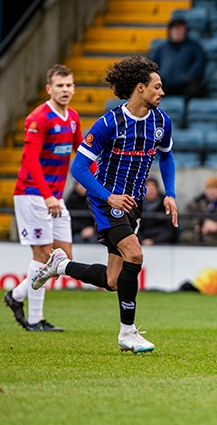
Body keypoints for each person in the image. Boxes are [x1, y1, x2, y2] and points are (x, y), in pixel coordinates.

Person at [31, 55, 179, 354]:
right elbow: (80, 169)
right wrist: (107, 195)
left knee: (113, 280)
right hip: (107, 201)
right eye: (157, 87)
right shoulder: (109, 123)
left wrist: (170, 192)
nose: (162, 92)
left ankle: (61, 265)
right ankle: (128, 332)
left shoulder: (161, 121)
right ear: (140, 88)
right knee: (134, 255)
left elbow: (166, 156)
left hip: (133, 202)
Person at [3, 64, 83, 332]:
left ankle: (15, 296)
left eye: (69, 85)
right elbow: (30, 160)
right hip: (32, 195)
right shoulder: (39, 118)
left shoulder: (72, 117)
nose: (65, 90)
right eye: (60, 86)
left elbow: (81, 154)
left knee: (63, 257)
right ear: (49, 89)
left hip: (54, 197)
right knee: (44, 254)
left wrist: (92, 180)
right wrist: (48, 195)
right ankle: (35, 319)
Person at [148, 18, 206, 102]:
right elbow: (153, 65)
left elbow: (199, 63)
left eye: (180, 30)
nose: (178, 33)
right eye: (175, 30)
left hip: (185, 84)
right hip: (164, 84)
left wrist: (189, 76)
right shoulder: (161, 49)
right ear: (170, 31)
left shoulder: (194, 47)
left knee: (195, 90)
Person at [179, 175, 217, 246]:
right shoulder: (195, 204)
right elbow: (186, 219)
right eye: (209, 188)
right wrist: (200, 225)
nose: (211, 192)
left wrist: (216, 228)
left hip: (215, 240)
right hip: (193, 237)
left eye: (214, 188)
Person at [138, 177, 177, 245]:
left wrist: (154, 241)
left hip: (163, 242)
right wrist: (142, 240)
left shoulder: (166, 205)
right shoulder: (137, 205)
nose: (150, 190)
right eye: (147, 188)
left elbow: (170, 230)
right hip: (141, 241)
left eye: (153, 187)